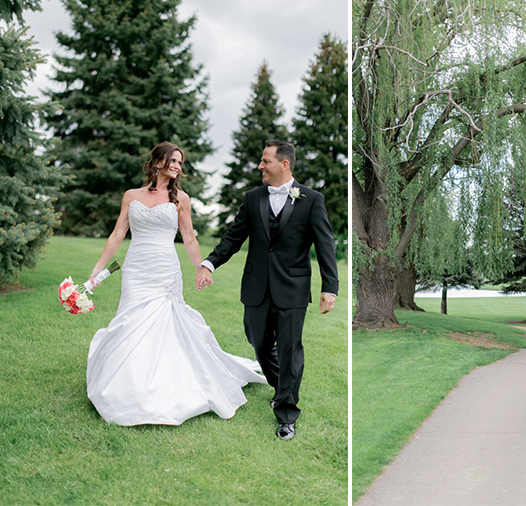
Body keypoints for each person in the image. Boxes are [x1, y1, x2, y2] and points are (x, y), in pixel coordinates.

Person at [85, 142, 266, 426]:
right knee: (131, 321)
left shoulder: (181, 199)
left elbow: (190, 238)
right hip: (136, 269)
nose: (177, 166)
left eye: (180, 163)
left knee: (162, 323)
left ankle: (162, 384)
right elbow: (118, 233)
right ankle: (128, 383)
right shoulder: (131, 196)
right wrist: (97, 270)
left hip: (164, 269)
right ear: (157, 162)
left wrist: (202, 268)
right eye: (173, 160)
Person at [195, 140, 338, 440]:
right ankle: (281, 385)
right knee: (258, 342)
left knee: (289, 349)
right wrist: (209, 263)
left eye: (265, 161)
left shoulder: (311, 199)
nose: (260, 166)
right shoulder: (252, 198)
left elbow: (325, 244)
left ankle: (286, 411)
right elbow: (233, 238)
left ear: (284, 164)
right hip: (257, 286)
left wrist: (330, 287)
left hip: (293, 288)